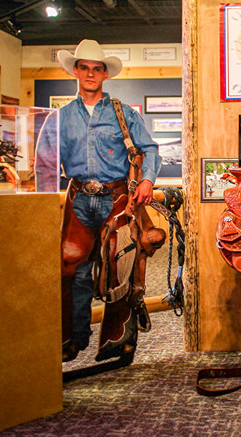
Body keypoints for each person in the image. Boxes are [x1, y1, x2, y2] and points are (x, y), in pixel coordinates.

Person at [35, 39, 163, 364]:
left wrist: (147, 179)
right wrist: (42, 203)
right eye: (85, 68)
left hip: (117, 198)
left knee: (119, 263)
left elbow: (149, 148)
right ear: (75, 71)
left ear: (104, 74)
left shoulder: (122, 113)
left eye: (97, 69)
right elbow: (46, 162)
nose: (90, 74)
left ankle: (116, 339)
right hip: (79, 199)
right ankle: (73, 336)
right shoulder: (60, 117)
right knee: (71, 266)